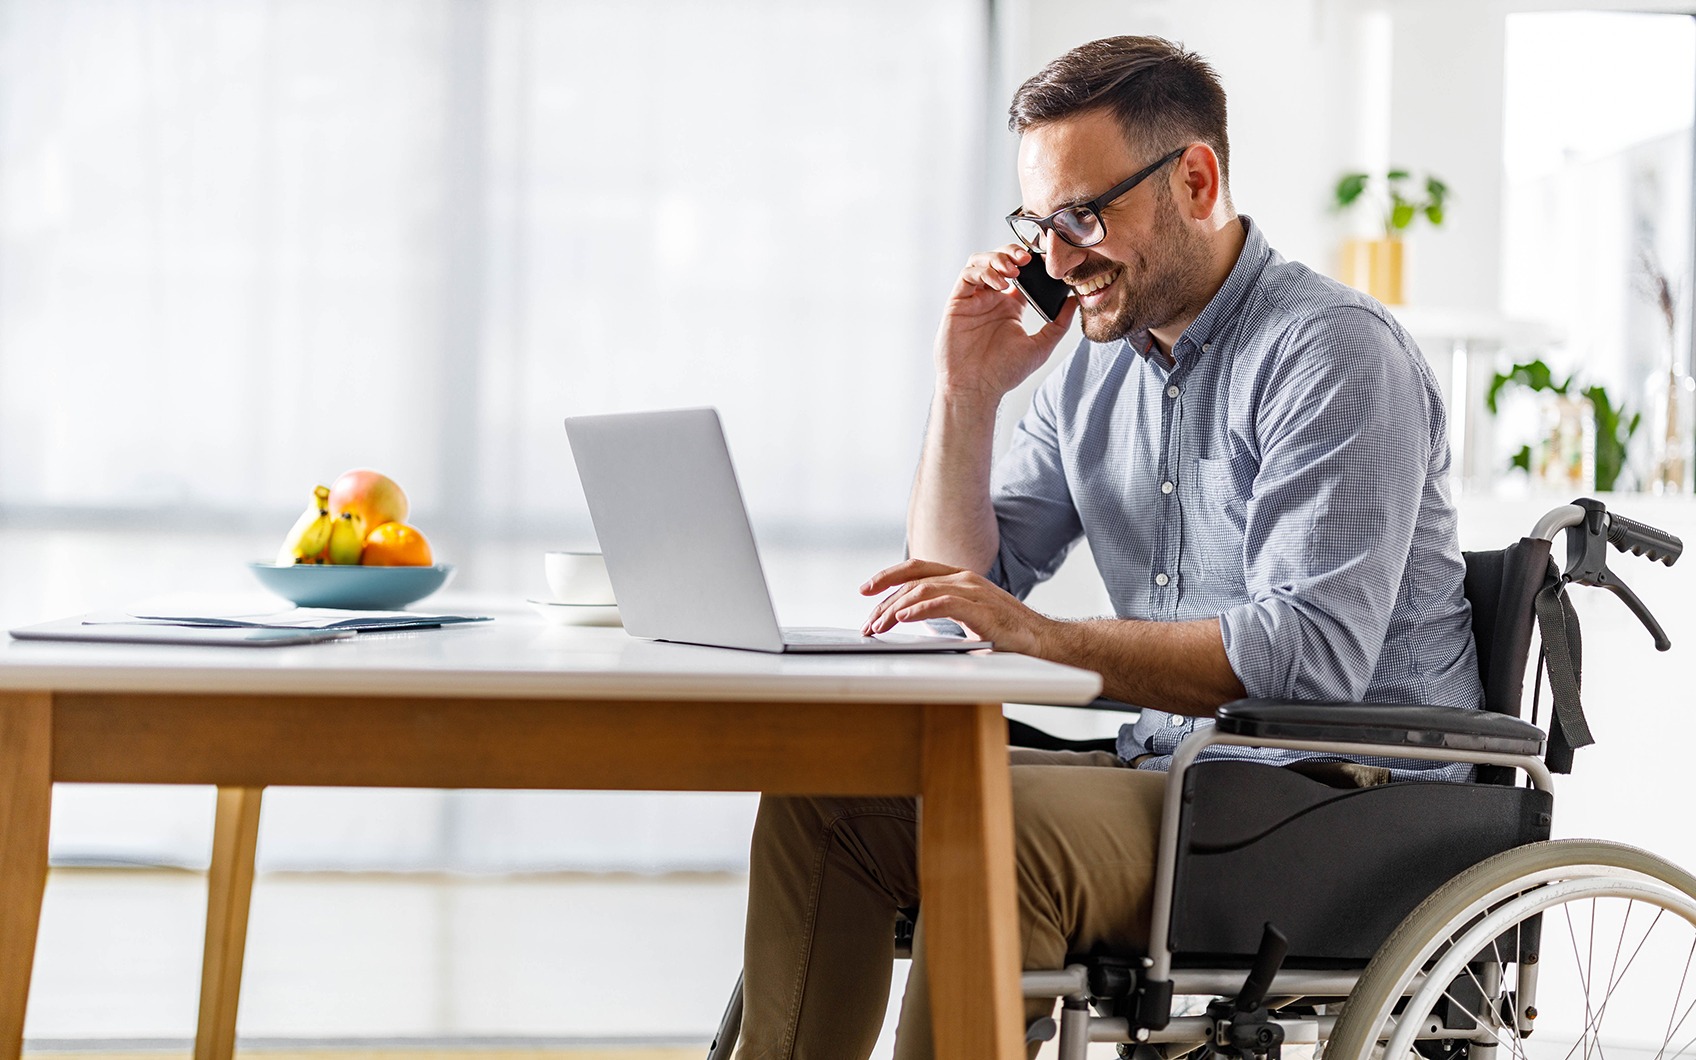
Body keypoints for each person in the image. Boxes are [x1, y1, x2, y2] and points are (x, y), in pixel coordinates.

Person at [733, 34, 1482, 1060]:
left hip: (1332, 810)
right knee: (827, 803)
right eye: (1040, 224)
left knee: (992, 833)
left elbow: (1308, 653)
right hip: (1183, 781)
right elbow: (962, 597)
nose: (1054, 259)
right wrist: (968, 392)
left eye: (1084, 216)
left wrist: (1042, 637)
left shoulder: (1331, 353)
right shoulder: (1097, 373)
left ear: (1197, 179)